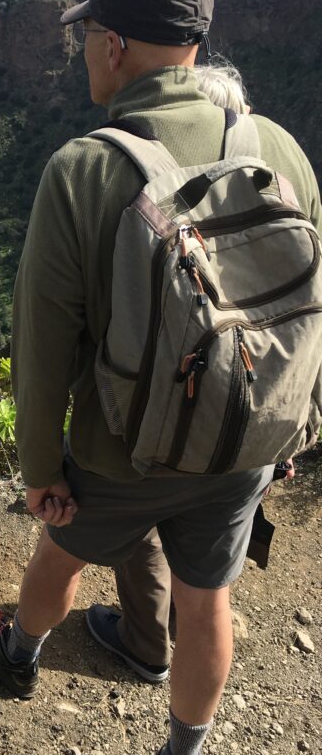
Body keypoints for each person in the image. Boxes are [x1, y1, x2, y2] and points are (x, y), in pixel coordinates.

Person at [0, 0, 322, 755]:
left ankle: (17, 653)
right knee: (210, 601)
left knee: (59, 554)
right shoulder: (277, 146)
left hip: (120, 450)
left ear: (116, 44)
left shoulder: (83, 169)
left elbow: (42, 344)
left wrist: (40, 468)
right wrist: (293, 428)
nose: (83, 46)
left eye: (87, 31)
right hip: (244, 444)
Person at [85, 59, 293, 688]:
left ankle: (145, 641)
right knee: (209, 572)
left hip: (159, 426)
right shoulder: (279, 179)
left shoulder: (146, 190)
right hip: (255, 419)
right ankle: (182, 662)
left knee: (145, 524)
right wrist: (295, 428)